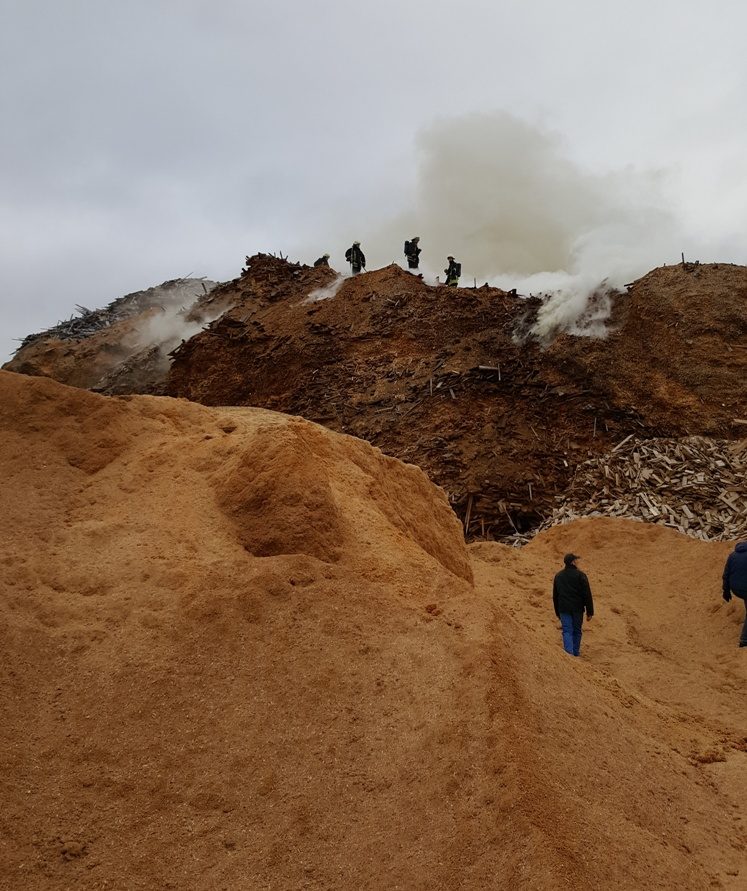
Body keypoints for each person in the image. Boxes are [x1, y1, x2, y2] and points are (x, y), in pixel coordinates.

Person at [552, 553, 594, 656]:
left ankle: (569, 654)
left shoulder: (558, 576)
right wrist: (590, 612)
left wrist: (557, 612)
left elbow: (555, 596)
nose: (578, 562)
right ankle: (575, 653)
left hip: (563, 608)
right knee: (577, 631)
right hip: (577, 609)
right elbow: (587, 594)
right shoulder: (581, 575)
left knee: (567, 631)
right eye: (576, 560)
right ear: (573, 562)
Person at [722, 541, 747, 647]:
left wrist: (726, 591)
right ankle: (744, 640)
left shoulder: (732, 556)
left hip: (736, 588)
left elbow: (726, 574)